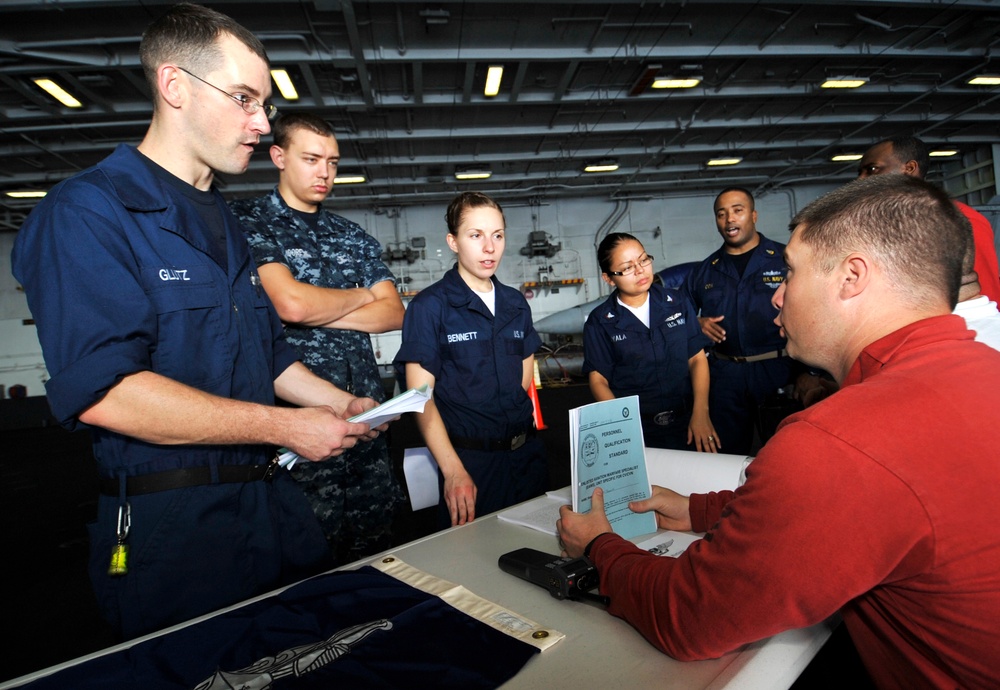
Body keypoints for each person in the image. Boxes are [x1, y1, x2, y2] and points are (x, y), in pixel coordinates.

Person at [10, 3, 383, 640]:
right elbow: (107, 393)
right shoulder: (88, 214)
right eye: (243, 98)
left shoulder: (223, 223)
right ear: (174, 85)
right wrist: (283, 426)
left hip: (266, 506)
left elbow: (267, 359)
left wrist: (343, 404)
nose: (262, 124)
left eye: (262, 102)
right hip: (171, 525)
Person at [557, 174, 1000, 690]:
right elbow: (849, 507)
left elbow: (691, 616)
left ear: (851, 278)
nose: (777, 297)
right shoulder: (979, 373)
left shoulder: (835, 440)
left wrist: (600, 547)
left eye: (790, 271)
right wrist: (698, 509)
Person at [230, 113, 405, 563]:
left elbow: (392, 313)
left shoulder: (352, 235)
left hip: (366, 421)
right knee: (303, 561)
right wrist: (358, 295)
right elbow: (290, 304)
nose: (324, 172)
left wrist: (311, 311)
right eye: (311, 159)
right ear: (278, 156)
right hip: (296, 427)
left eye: (332, 161)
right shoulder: (249, 221)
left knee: (380, 557)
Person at [394, 192, 547, 527]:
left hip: (526, 458)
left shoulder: (515, 304)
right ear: (453, 241)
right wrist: (453, 471)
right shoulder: (430, 308)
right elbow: (419, 399)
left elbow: (522, 382)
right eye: (476, 236)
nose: (489, 248)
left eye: (497, 235)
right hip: (470, 465)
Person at [683, 187, 793, 455]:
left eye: (737, 211)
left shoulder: (785, 260)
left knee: (787, 453)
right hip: (725, 378)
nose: (729, 219)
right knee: (726, 456)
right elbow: (676, 318)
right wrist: (696, 324)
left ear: (753, 215)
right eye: (721, 214)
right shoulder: (704, 271)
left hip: (779, 372)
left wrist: (809, 375)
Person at [583, 233, 716, 452]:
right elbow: (599, 380)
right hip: (638, 427)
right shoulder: (600, 322)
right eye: (627, 267)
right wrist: (624, 430)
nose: (640, 270)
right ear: (608, 278)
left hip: (687, 419)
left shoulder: (677, 303)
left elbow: (697, 358)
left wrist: (701, 413)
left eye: (643, 260)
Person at [857, 135, 1000, 303]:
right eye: (860, 173)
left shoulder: (958, 219)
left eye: (872, 170)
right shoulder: (884, 223)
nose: (861, 179)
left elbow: (986, 290)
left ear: (909, 168)